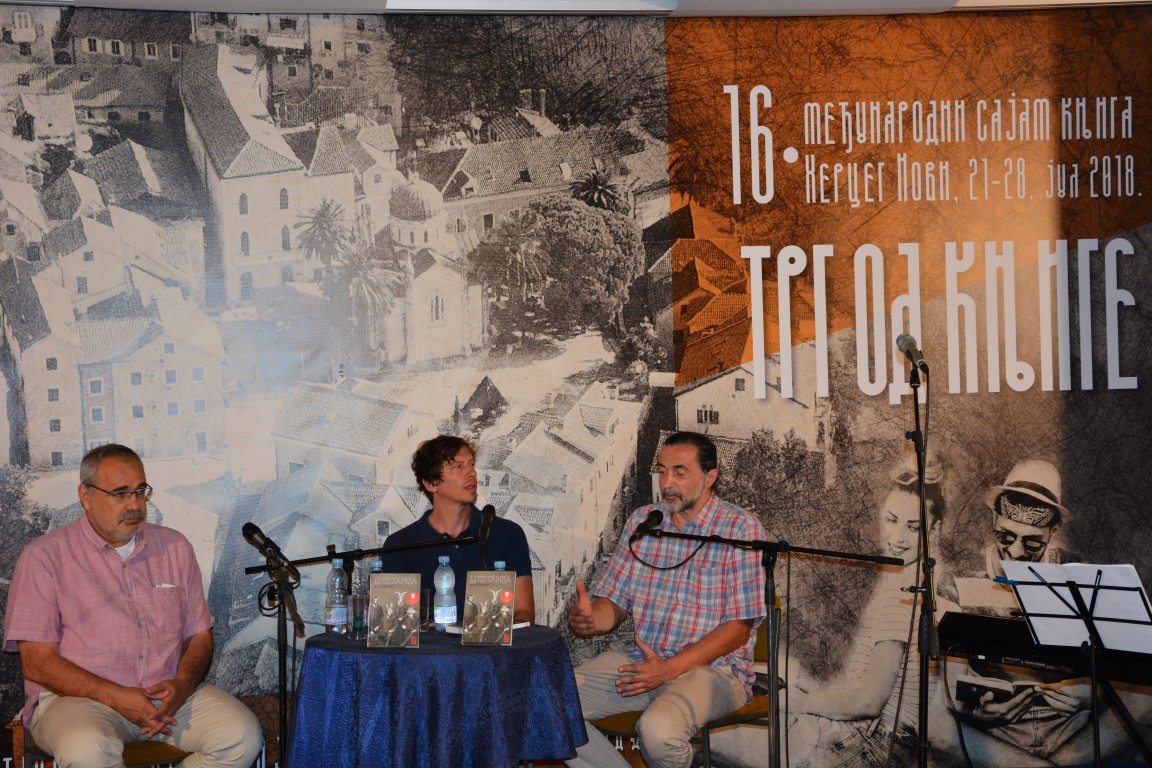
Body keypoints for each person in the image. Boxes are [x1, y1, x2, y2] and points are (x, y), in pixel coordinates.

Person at [2, 444, 263, 768]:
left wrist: (181, 686)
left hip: (167, 697)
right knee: (87, 750)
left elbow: (198, 635)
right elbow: (38, 664)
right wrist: (117, 697)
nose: (135, 504)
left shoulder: (175, 547)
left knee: (241, 736)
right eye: (120, 494)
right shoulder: (43, 557)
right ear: (85, 495)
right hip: (78, 702)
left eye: (140, 491)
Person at [565, 431, 766, 768]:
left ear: (710, 477)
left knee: (658, 732)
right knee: (550, 703)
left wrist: (668, 670)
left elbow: (738, 629)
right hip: (644, 662)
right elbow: (613, 604)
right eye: (662, 471)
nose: (667, 482)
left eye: (679, 472)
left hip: (714, 671)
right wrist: (590, 618)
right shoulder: (644, 521)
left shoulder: (739, 528)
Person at [934, 459, 1152, 766]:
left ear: (1054, 530)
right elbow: (951, 689)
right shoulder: (956, 580)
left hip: (1074, 733)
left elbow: (1127, 667)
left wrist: (1092, 694)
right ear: (994, 517)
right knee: (934, 723)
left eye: (1033, 543)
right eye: (1005, 536)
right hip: (997, 737)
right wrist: (975, 711)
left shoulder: (1079, 573)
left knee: (1145, 696)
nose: (1016, 552)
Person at [785, 454, 946, 768]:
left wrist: (802, 701)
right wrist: (812, 688)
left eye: (914, 528)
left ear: (935, 530)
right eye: (891, 519)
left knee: (727, 740)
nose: (897, 538)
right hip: (889, 741)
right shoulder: (917, 580)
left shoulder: (901, 593)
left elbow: (870, 701)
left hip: (875, 741)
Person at [380, 434, 534, 623]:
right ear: (431, 483)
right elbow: (396, 625)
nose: (472, 473)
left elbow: (524, 612)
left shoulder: (508, 534)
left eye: (472, 464)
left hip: (493, 643)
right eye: (458, 467)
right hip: (431, 644)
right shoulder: (400, 546)